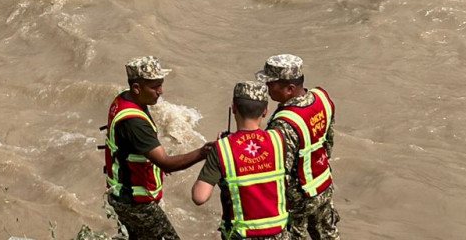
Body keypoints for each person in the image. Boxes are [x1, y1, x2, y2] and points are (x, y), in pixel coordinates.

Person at [104, 56, 212, 240]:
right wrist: (203, 152)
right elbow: (167, 164)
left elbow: (136, 149)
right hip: (136, 204)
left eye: (161, 84)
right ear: (137, 88)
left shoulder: (124, 99)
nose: (160, 91)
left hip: (121, 195)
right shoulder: (135, 123)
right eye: (154, 87)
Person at [191, 81, 289, 240]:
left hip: (241, 235)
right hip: (278, 233)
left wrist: (218, 152)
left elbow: (199, 197)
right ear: (265, 111)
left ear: (234, 108)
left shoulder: (223, 148)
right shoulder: (278, 139)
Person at [257, 55, 340, 240]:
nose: (267, 87)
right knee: (328, 235)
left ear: (290, 89)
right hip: (323, 183)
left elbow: (280, 171)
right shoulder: (322, 98)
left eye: (271, 83)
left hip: (299, 198)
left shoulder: (285, 123)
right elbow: (329, 141)